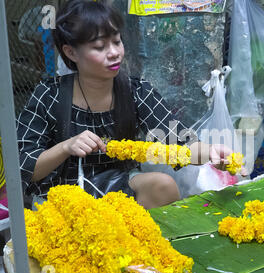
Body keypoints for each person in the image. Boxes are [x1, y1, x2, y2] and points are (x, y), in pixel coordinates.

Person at [17, 0, 245, 210]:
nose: (114, 53)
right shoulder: (49, 95)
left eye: (116, 41)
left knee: (162, 184)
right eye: (99, 47)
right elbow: (25, 167)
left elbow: (180, 142)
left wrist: (212, 154)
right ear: (71, 52)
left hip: (120, 186)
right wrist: (67, 146)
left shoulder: (136, 91)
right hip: (60, 194)